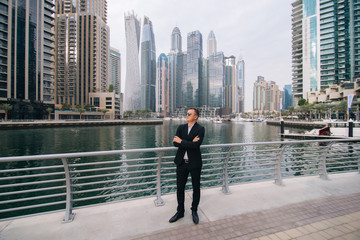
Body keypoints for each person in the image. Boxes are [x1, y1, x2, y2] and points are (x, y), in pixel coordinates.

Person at [169, 108, 205, 224]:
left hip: (195, 163)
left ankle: (194, 210)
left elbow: (196, 145)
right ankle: (180, 211)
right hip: (181, 163)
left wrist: (182, 141)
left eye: (189, 114)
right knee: (180, 188)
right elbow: (175, 143)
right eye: (187, 113)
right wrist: (189, 141)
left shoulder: (200, 129)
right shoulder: (181, 128)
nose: (187, 115)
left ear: (196, 116)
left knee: (196, 188)